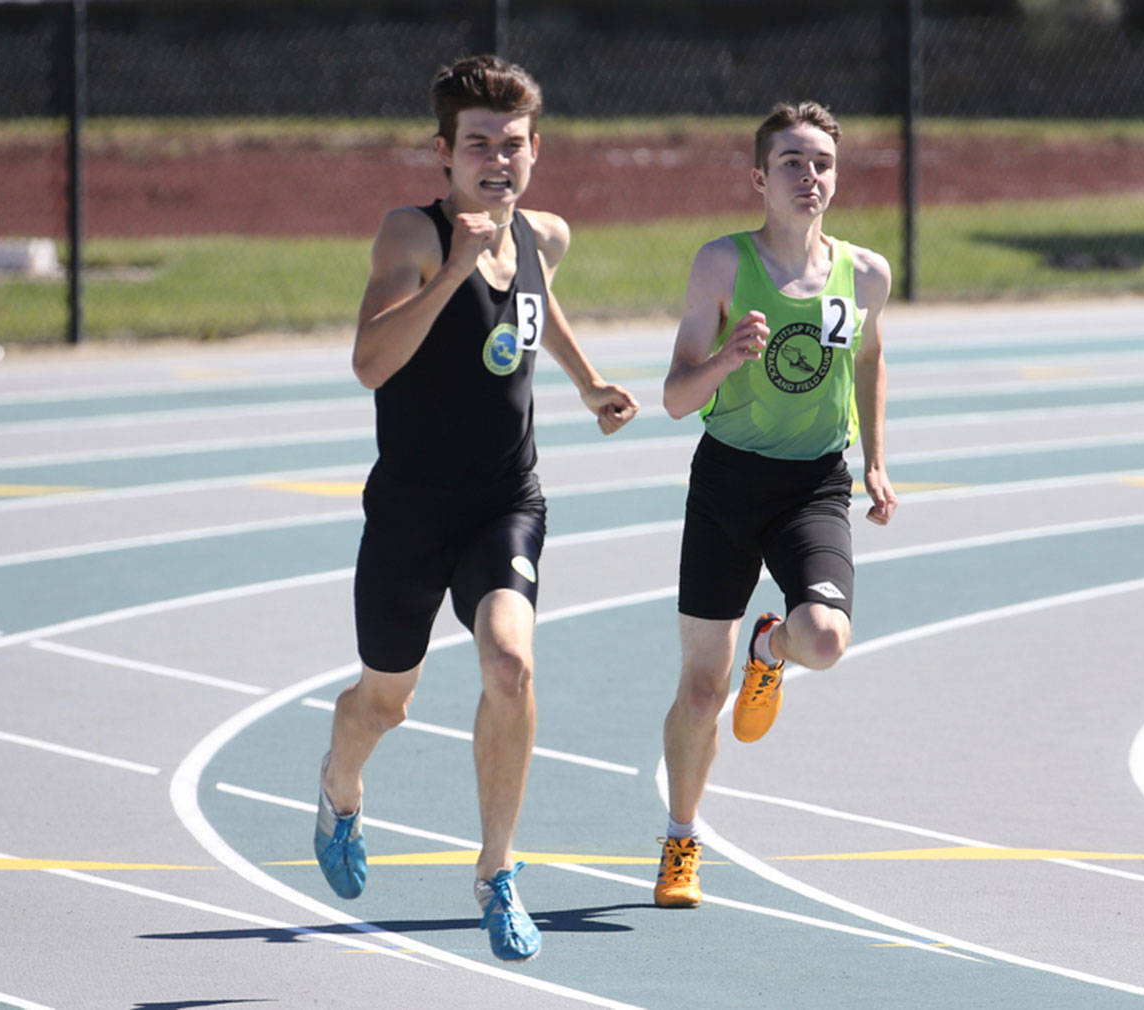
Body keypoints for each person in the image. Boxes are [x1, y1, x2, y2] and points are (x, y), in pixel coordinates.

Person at [313, 54, 639, 962]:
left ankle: (497, 873)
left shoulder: (544, 235)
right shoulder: (411, 238)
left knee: (510, 665)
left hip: (507, 499)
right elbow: (370, 364)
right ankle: (341, 790)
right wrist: (455, 270)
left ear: (537, 150)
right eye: (479, 145)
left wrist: (587, 383)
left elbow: (541, 305)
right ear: (445, 155)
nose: (498, 158)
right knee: (384, 705)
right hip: (411, 512)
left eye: (514, 143)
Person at [653, 101, 898, 908]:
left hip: (814, 485)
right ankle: (682, 843)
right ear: (760, 177)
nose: (809, 176)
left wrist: (878, 464)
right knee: (698, 693)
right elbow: (676, 399)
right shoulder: (722, 265)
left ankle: (773, 651)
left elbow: (870, 357)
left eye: (822, 162)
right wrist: (727, 357)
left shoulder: (865, 273)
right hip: (728, 481)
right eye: (792, 162)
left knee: (824, 639)